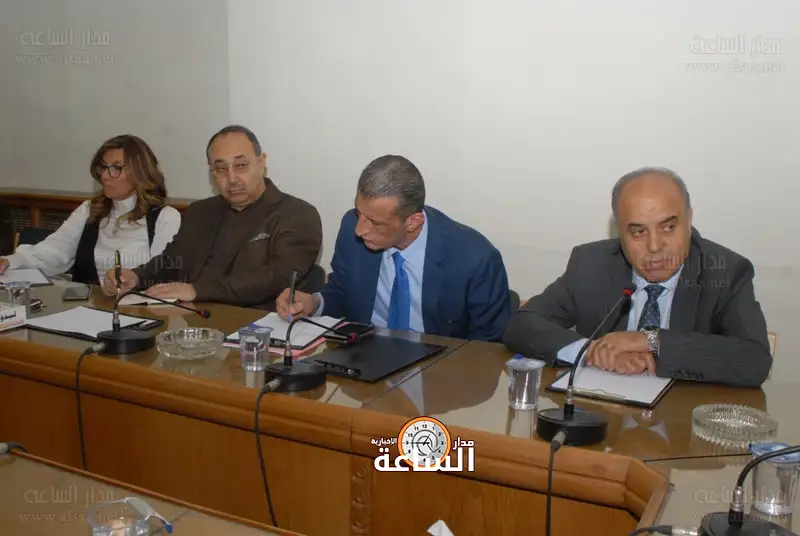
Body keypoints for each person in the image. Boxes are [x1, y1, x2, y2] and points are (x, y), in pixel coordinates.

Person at [502, 167, 772, 387]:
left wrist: (651, 340)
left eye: (669, 227)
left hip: (682, 423)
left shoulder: (725, 271)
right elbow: (522, 323)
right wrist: (590, 351)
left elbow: (754, 359)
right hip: (603, 417)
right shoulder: (591, 264)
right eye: (638, 232)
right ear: (619, 232)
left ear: (689, 220)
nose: (654, 246)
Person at [275, 154, 510, 341]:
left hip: (438, 371)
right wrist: (314, 303)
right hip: (365, 357)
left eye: (375, 222)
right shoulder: (351, 226)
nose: (359, 229)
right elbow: (343, 291)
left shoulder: (475, 260)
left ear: (413, 222)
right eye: (359, 213)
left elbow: (486, 349)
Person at [103, 125, 322, 309]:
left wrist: (196, 290)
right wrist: (136, 276)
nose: (232, 178)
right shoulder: (200, 212)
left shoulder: (297, 215)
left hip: (256, 328)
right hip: (193, 325)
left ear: (261, 161)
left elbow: (275, 279)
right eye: (220, 169)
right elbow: (172, 260)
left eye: (241, 165)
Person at [0, 135, 181, 284]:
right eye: (103, 167)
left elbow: (162, 274)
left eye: (116, 168)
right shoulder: (89, 210)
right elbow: (55, 251)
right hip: (90, 306)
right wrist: (12, 261)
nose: (104, 176)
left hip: (139, 309)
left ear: (140, 173)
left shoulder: (165, 217)